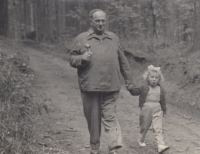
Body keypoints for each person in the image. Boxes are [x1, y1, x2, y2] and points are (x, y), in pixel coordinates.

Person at [69, 9, 133, 154]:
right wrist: (81, 58)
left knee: (110, 116)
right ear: (90, 21)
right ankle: (94, 148)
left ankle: (113, 147)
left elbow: (123, 62)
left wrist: (129, 82)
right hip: (90, 86)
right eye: (97, 21)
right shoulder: (82, 38)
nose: (101, 24)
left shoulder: (113, 38)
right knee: (93, 120)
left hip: (112, 85)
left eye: (103, 21)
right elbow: (71, 59)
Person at [128, 65, 170, 153]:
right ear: (147, 77)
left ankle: (160, 145)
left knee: (158, 127)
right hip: (146, 108)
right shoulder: (144, 87)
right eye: (152, 77)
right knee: (145, 125)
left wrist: (164, 110)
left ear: (159, 79)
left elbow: (163, 101)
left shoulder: (160, 89)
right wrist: (131, 89)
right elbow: (136, 92)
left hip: (157, 109)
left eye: (156, 78)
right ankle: (141, 139)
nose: (154, 79)